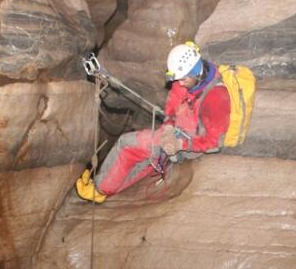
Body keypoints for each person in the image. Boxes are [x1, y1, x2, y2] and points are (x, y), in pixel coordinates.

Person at [76, 41, 232, 202]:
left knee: (127, 144)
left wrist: (180, 145)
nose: (179, 83)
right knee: (148, 158)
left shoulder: (216, 98)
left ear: (196, 74)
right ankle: (107, 189)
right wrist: (168, 127)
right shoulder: (190, 78)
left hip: (190, 141)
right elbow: (173, 102)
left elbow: (214, 142)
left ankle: (99, 189)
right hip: (178, 131)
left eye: (183, 79)